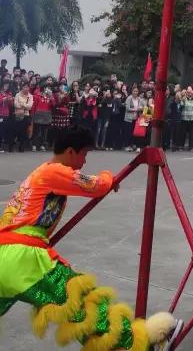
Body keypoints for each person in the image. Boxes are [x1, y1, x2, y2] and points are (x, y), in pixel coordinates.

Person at [0, 125, 181, 349]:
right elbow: (96, 185)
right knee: (83, 303)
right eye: (84, 154)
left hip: (5, 253)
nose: (84, 161)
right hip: (24, 257)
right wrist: (108, 176)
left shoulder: (38, 174)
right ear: (70, 152)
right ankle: (137, 344)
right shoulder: (53, 171)